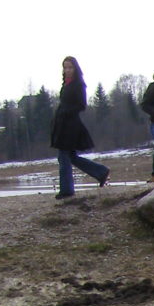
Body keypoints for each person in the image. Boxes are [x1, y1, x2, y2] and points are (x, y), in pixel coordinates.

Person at [50, 56, 109, 199]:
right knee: (70, 157)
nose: (67, 70)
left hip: (71, 125)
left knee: (64, 157)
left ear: (75, 68)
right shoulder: (66, 84)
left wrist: (66, 112)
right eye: (65, 67)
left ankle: (67, 190)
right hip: (62, 124)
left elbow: (82, 105)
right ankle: (100, 172)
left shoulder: (78, 84)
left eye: (70, 67)